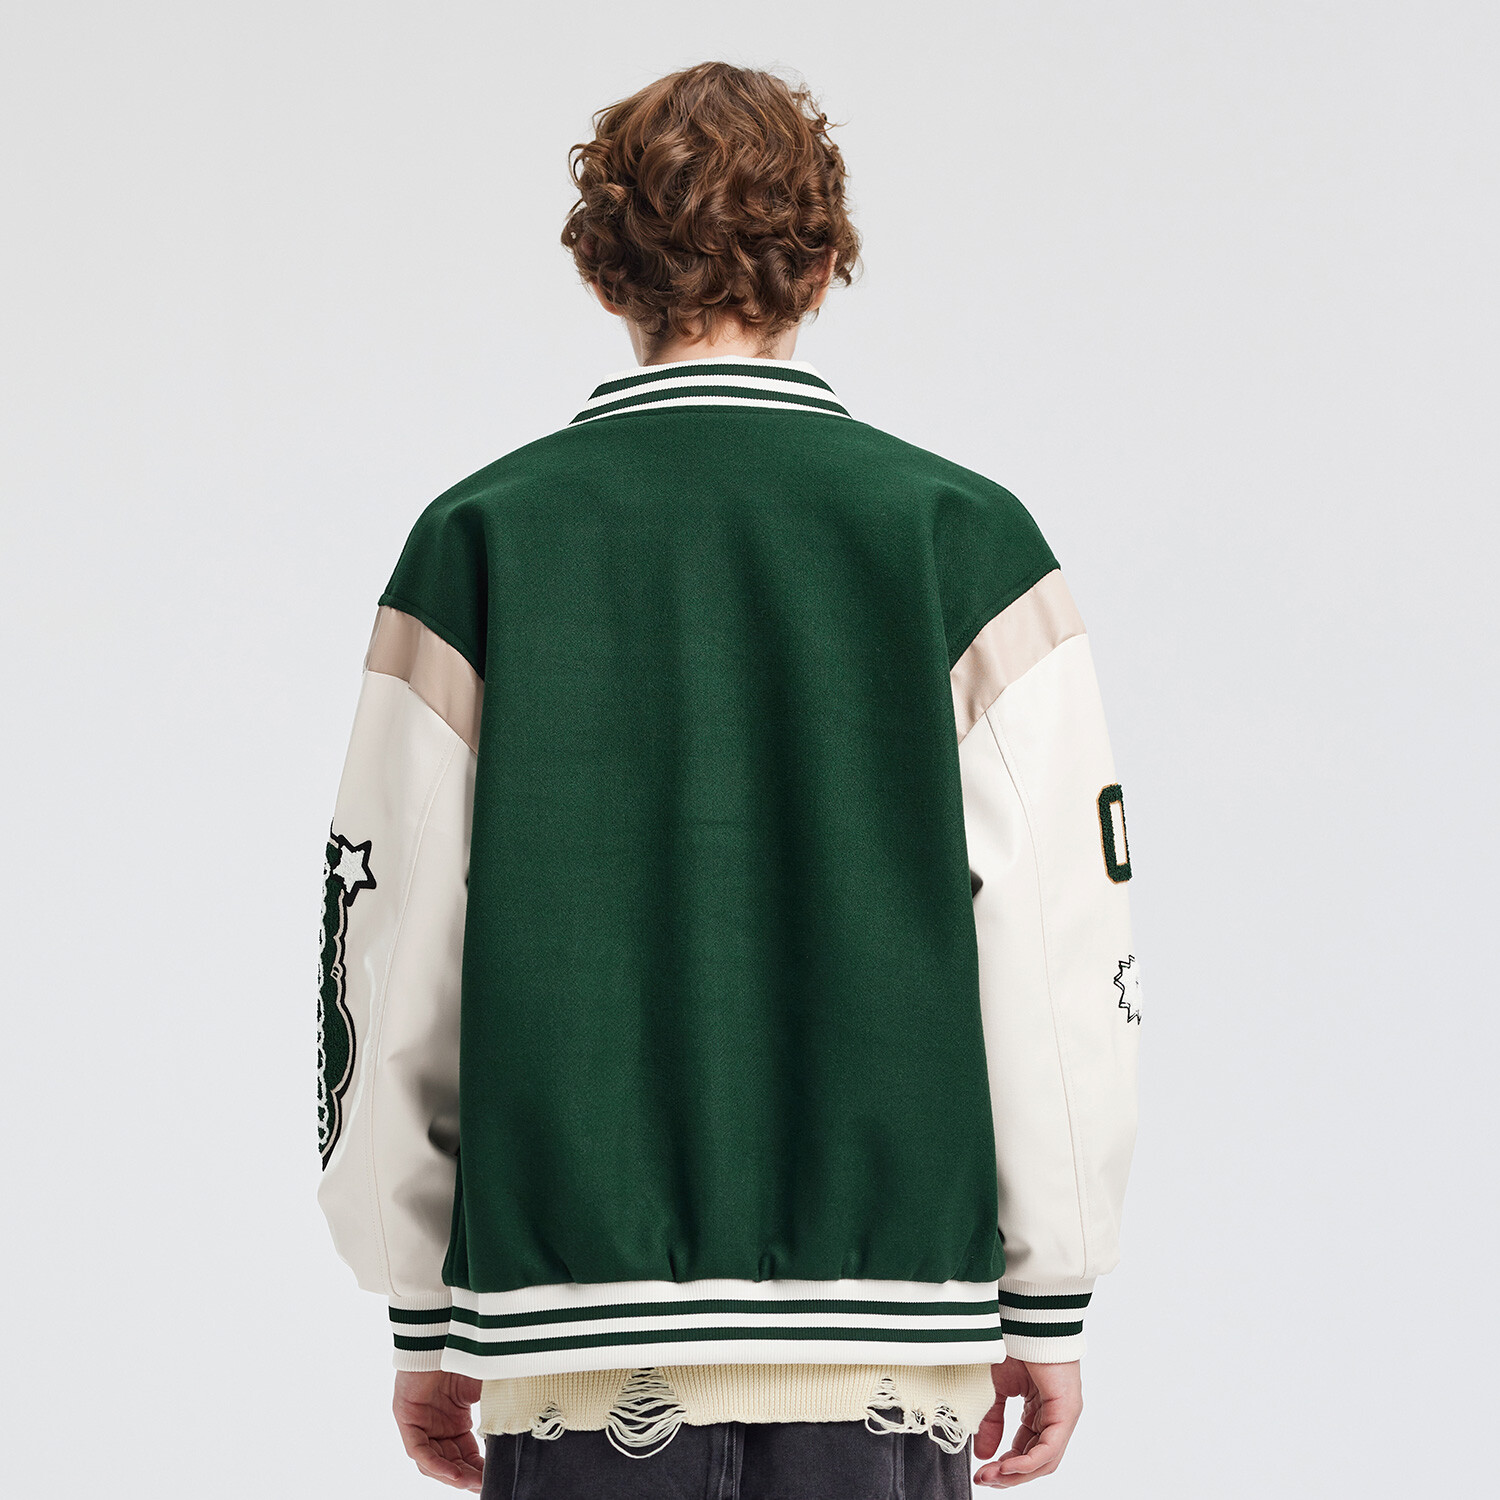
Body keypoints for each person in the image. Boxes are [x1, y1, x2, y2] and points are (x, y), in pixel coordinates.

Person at [315, 60, 1141, 1499]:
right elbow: (1058, 945)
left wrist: (424, 1302)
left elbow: (385, 947)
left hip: (573, 1357)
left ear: (604, 271)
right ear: (821, 263)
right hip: (885, 1360)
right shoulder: (963, 541)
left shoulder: (479, 541)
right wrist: (1048, 1290)